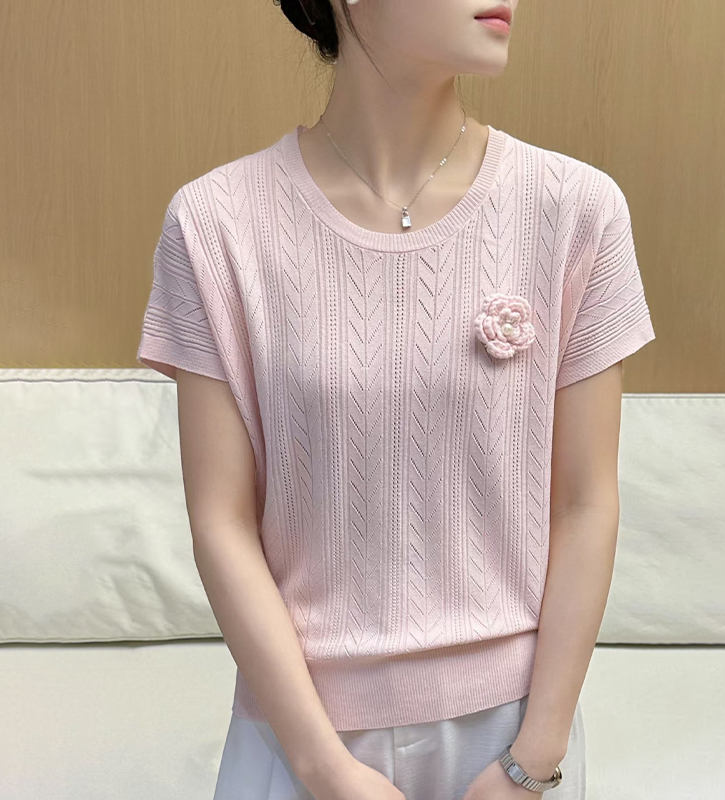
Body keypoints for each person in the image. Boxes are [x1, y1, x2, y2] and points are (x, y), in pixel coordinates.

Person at [136, 0, 656, 798]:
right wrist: (321, 768)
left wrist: (533, 758)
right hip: (300, 737)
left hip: (513, 738)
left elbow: (587, 503)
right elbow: (221, 521)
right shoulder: (216, 225)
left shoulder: (575, 208)